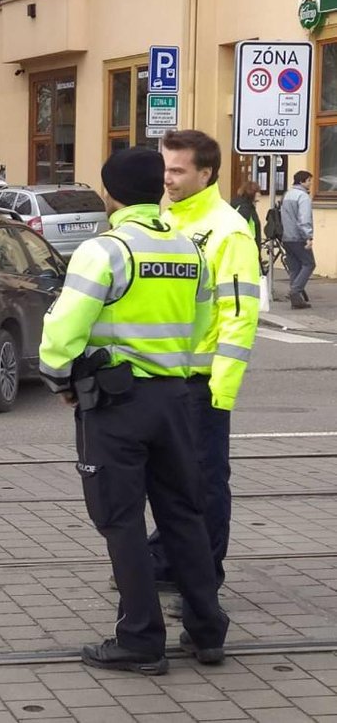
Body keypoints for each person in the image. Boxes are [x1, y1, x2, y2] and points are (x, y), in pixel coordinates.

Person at [39, 147, 227, 675]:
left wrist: (60, 378)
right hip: (176, 399)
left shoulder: (107, 251)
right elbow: (201, 326)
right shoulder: (191, 250)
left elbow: (61, 331)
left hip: (117, 406)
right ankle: (207, 630)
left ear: (110, 194)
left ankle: (141, 640)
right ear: (161, 189)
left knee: (121, 519)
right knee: (183, 515)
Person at [147, 130, 260, 612]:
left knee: (206, 481)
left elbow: (240, 314)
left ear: (206, 174)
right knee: (170, 479)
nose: (167, 178)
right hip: (163, 377)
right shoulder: (165, 214)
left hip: (202, 382)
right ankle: (168, 559)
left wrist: (222, 389)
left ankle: (204, 576)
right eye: (164, 168)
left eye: (178, 171)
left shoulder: (228, 230)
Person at [280, 170, 315, 309]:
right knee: (309, 264)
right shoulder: (303, 197)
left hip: (286, 236)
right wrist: (308, 236)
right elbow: (304, 218)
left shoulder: (287, 195)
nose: (310, 183)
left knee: (295, 267)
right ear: (302, 181)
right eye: (309, 180)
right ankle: (295, 291)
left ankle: (297, 300)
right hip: (298, 237)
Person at [230, 181, 262, 254]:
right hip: (247, 248)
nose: (260, 194)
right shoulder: (246, 208)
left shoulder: (238, 204)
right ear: (251, 192)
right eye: (258, 192)